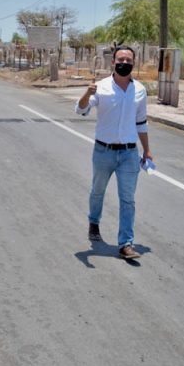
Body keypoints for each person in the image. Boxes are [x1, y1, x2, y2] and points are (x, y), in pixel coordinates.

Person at [75, 45, 152, 260]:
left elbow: (141, 122)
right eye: (121, 59)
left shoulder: (140, 90)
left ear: (133, 63)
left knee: (128, 199)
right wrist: (86, 94)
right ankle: (94, 222)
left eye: (128, 60)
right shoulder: (100, 87)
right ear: (113, 62)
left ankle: (126, 243)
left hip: (129, 153)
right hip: (104, 151)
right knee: (97, 191)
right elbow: (81, 110)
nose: (124, 63)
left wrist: (147, 150)